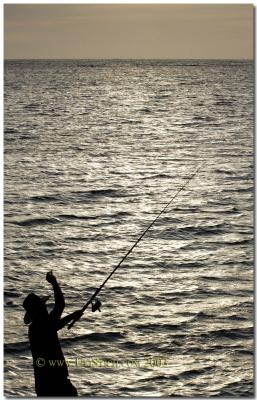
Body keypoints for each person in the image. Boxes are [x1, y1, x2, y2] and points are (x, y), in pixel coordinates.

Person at [23, 271, 83, 397]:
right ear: (39, 310)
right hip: (52, 385)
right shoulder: (36, 329)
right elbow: (53, 326)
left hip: (50, 384)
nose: (46, 309)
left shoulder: (43, 323)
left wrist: (55, 283)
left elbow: (59, 306)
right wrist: (72, 315)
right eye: (43, 307)